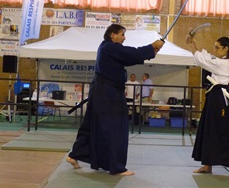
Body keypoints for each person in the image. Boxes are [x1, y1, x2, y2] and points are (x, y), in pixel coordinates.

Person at [66, 24, 164, 176]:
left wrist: (152, 51)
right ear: (112, 35)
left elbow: (129, 57)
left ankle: (74, 155)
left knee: (92, 124)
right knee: (115, 126)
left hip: (101, 91)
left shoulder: (106, 48)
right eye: (122, 34)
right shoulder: (110, 47)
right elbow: (131, 53)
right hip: (108, 93)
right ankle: (116, 167)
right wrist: (152, 46)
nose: (124, 38)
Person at [186, 34, 229, 181]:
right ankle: (207, 163)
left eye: (217, 48)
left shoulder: (223, 63)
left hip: (222, 97)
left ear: (226, 49)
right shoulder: (219, 60)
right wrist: (194, 42)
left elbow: (202, 60)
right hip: (213, 95)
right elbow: (206, 56)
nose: (214, 50)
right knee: (208, 128)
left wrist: (192, 44)